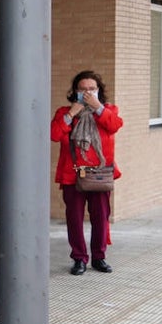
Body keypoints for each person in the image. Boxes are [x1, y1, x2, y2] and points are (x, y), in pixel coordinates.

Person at [51, 70, 122, 276]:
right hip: (73, 174)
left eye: (92, 89)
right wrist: (72, 112)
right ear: (75, 91)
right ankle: (79, 258)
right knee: (74, 218)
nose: (87, 92)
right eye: (83, 89)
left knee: (101, 217)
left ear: (99, 91)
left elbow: (115, 125)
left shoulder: (108, 110)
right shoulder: (64, 113)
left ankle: (99, 257)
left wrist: (97, 107)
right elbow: (54, 134)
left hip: (99, 174)